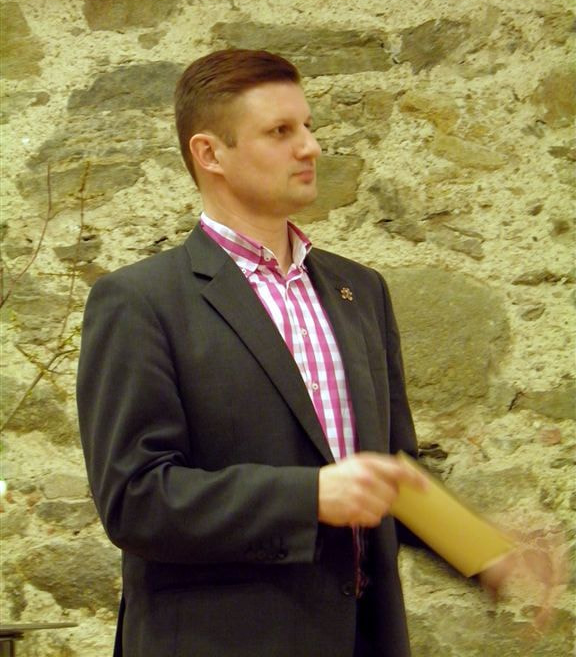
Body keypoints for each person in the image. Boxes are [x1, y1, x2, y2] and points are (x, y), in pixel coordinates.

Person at [76, 49, 545, 657]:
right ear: (210, 153)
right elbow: (135, 500)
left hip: (365, 638)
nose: (311, 147)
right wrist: (310, 496)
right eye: (280, 131)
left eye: (308, 126)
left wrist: (483, 547)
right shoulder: (139, 301)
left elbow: (389, 472)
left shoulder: (359, 291)